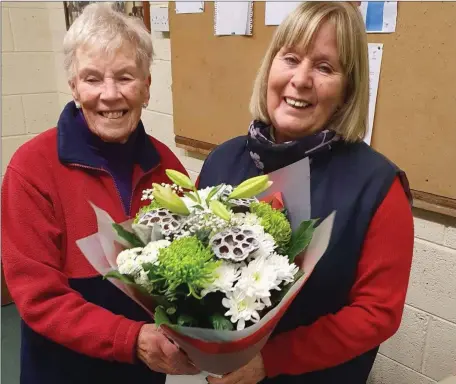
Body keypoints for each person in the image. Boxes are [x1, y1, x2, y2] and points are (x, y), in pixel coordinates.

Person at [198, 2, 414, 384]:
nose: (300, 79)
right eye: (291, 58)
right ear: (270, 66)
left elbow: (377, 313)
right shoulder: (222, 161)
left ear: (348, 90)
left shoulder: (378, 187)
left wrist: (270, 360)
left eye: (324, 67)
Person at [1, 3, 199, 384]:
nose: (110, 95)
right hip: (62, 372)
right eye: (92, 79)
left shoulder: (167, 166)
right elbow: (38, 299)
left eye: (125, 77)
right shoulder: (32, 169)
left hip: (143, 373)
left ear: (146, 86)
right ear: (74, 86)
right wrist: (130, 339)